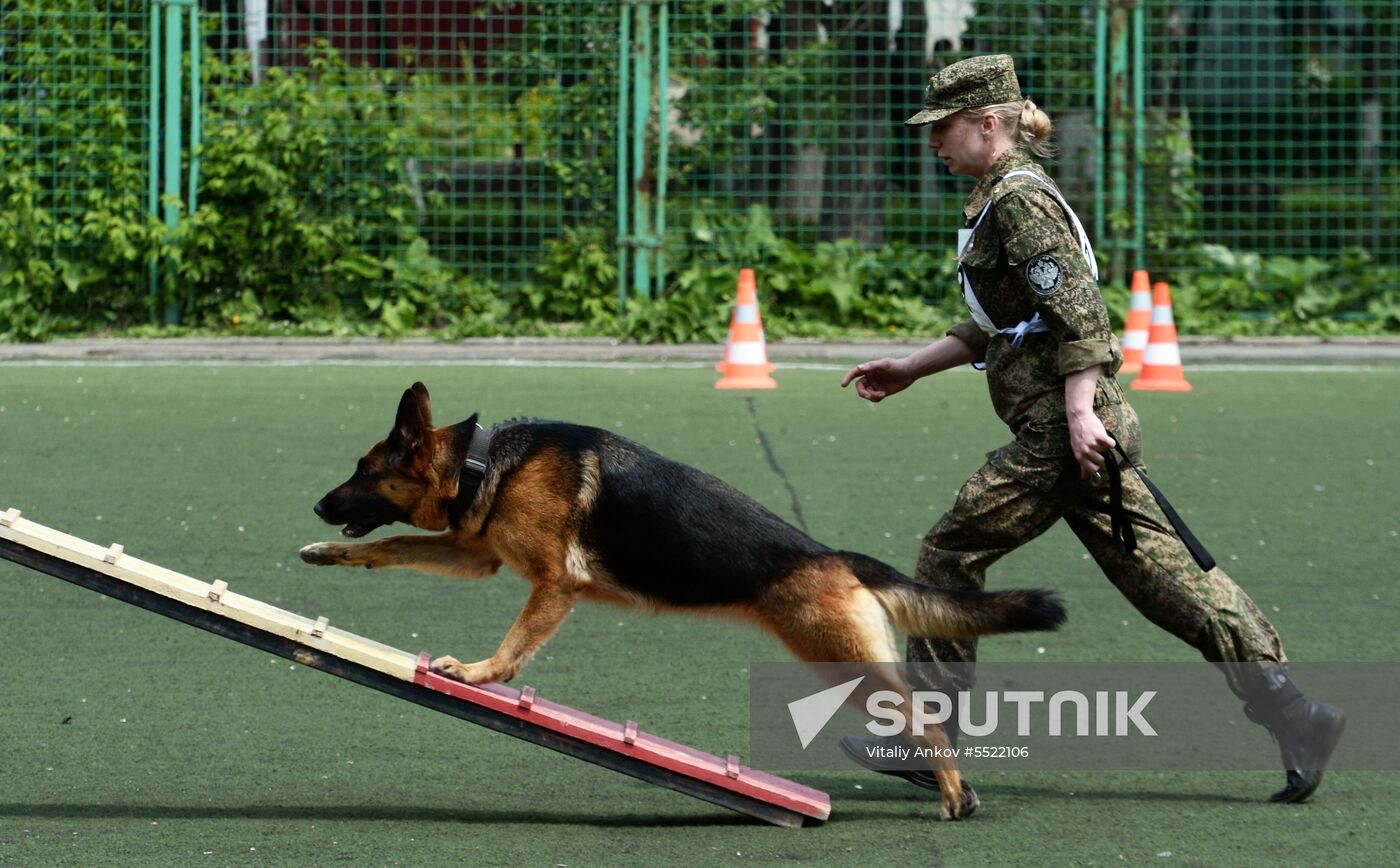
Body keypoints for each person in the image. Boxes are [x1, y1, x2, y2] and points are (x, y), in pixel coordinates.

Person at [839, 54, 1343, 805]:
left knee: (949, 552)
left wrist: (1077, 414)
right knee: (1170, 581)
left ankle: (926, 736)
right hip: (1074, 435)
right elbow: (999, 325)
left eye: (942, 127)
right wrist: (914, 366)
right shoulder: (994, 197)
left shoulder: (1020, 203)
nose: (933, 141)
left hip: (1059, 434)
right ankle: (1295, 712)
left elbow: (1084, 319)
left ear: (988, 124)